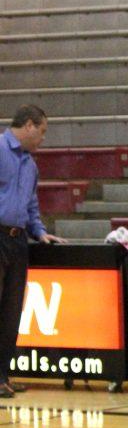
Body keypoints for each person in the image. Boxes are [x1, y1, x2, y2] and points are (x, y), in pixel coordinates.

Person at [0, 105, 66, 399]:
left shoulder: (30, 164)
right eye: (41, 132)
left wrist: (39, 231)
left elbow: (31, 205)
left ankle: (2, 376)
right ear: (28, 125)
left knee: (12, 311)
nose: (42, 139)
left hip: (17, 240)